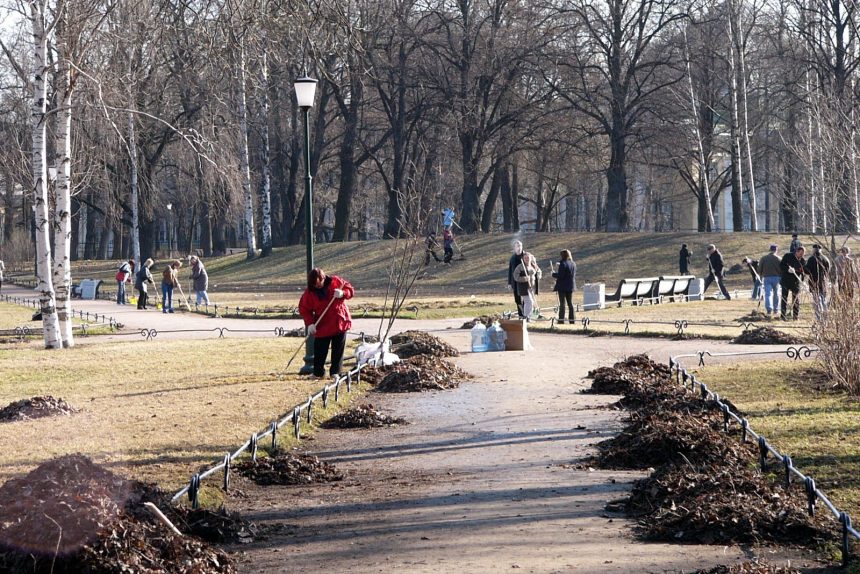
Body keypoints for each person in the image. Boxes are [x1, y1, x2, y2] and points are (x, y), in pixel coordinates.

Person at [298, 268, 354, 379]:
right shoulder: (309, 293)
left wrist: (343, 293)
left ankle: (335, 372)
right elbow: (304, 309)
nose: (318, 287)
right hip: (322, 324)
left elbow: (350, 291)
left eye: (319, 284)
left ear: (324, 278)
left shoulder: (336, 281)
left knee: (338, 349)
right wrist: (310, 324)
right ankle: (318, 373)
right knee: (319, 349)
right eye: (315, 285)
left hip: (339, 321)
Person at [780, 245, 807, 320]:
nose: (801, 255)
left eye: (803, 254)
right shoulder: (787, 256)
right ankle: (783, 315)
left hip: (796, 282)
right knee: (784, 298)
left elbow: (803, 272)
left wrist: (803, 281)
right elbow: (781, 266)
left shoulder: (803, 261)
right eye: (800, 254)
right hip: (786, 280)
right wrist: (787, 269)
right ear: (797, 252)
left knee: (796, 299)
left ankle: (795, 316)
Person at [805, 244, 831, 320]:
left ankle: (818, 317)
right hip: (823, 282)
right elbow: (828, 270)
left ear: (813, 250)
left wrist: (803, 268)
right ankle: (825, 317)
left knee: (817, 300)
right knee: (823, 300)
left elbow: (807, 271)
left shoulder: (811, 259)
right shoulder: (826, 259)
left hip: (814, 282)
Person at [513, 252, 542, 320]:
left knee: (531, 302)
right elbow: (515, 277)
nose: (527, 259)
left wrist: (538, 276)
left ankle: (530, 317)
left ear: (531, 258)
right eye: (525, 258)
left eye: (528, 258)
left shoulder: (533, 265)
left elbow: (539, 271)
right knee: (529, 301)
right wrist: (525, 278)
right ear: (523, 259)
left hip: (532, 287)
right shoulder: (520, 267)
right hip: (523, 288)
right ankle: (526, 317)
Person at [552, 250, 576, 324]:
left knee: (562, 304)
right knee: (570, 303)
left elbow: (561, 276)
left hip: (562, 286)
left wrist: (553, 274)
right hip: (571, 285)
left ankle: (561, 320)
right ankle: (572, 320)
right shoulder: (573, 263)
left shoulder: (563, 263)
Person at [758, 244, 782, 315]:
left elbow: (759, 270)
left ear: (770, 250)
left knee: (768, 294)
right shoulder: (779, 258)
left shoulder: (764, 258)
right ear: (776, 250)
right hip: (777, 278)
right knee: (776, 294)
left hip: (767, 278)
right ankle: (776, 309)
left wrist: (761, 274)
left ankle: (769, 309)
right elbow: (782, 269)